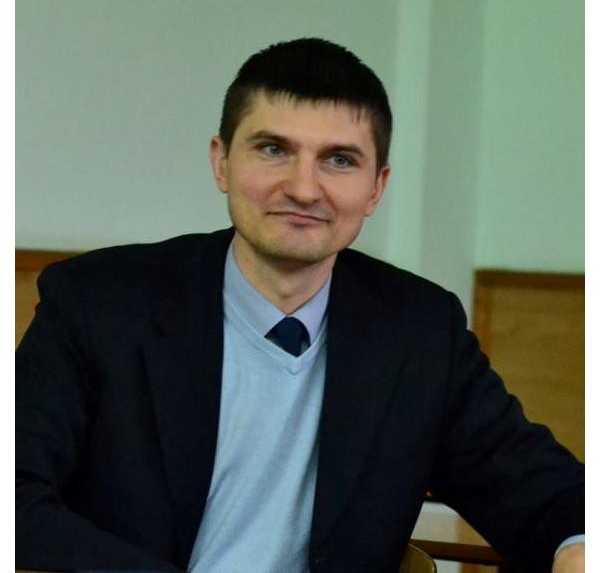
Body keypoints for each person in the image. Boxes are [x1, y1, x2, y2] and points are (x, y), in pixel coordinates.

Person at [16, 38, 584, 573]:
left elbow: (543, 491)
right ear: (221, 162)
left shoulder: (421, 331)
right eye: (273, 150)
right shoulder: (96, 303)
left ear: (376, 187)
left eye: (339, 160)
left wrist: (578, 547)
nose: (304, 189)